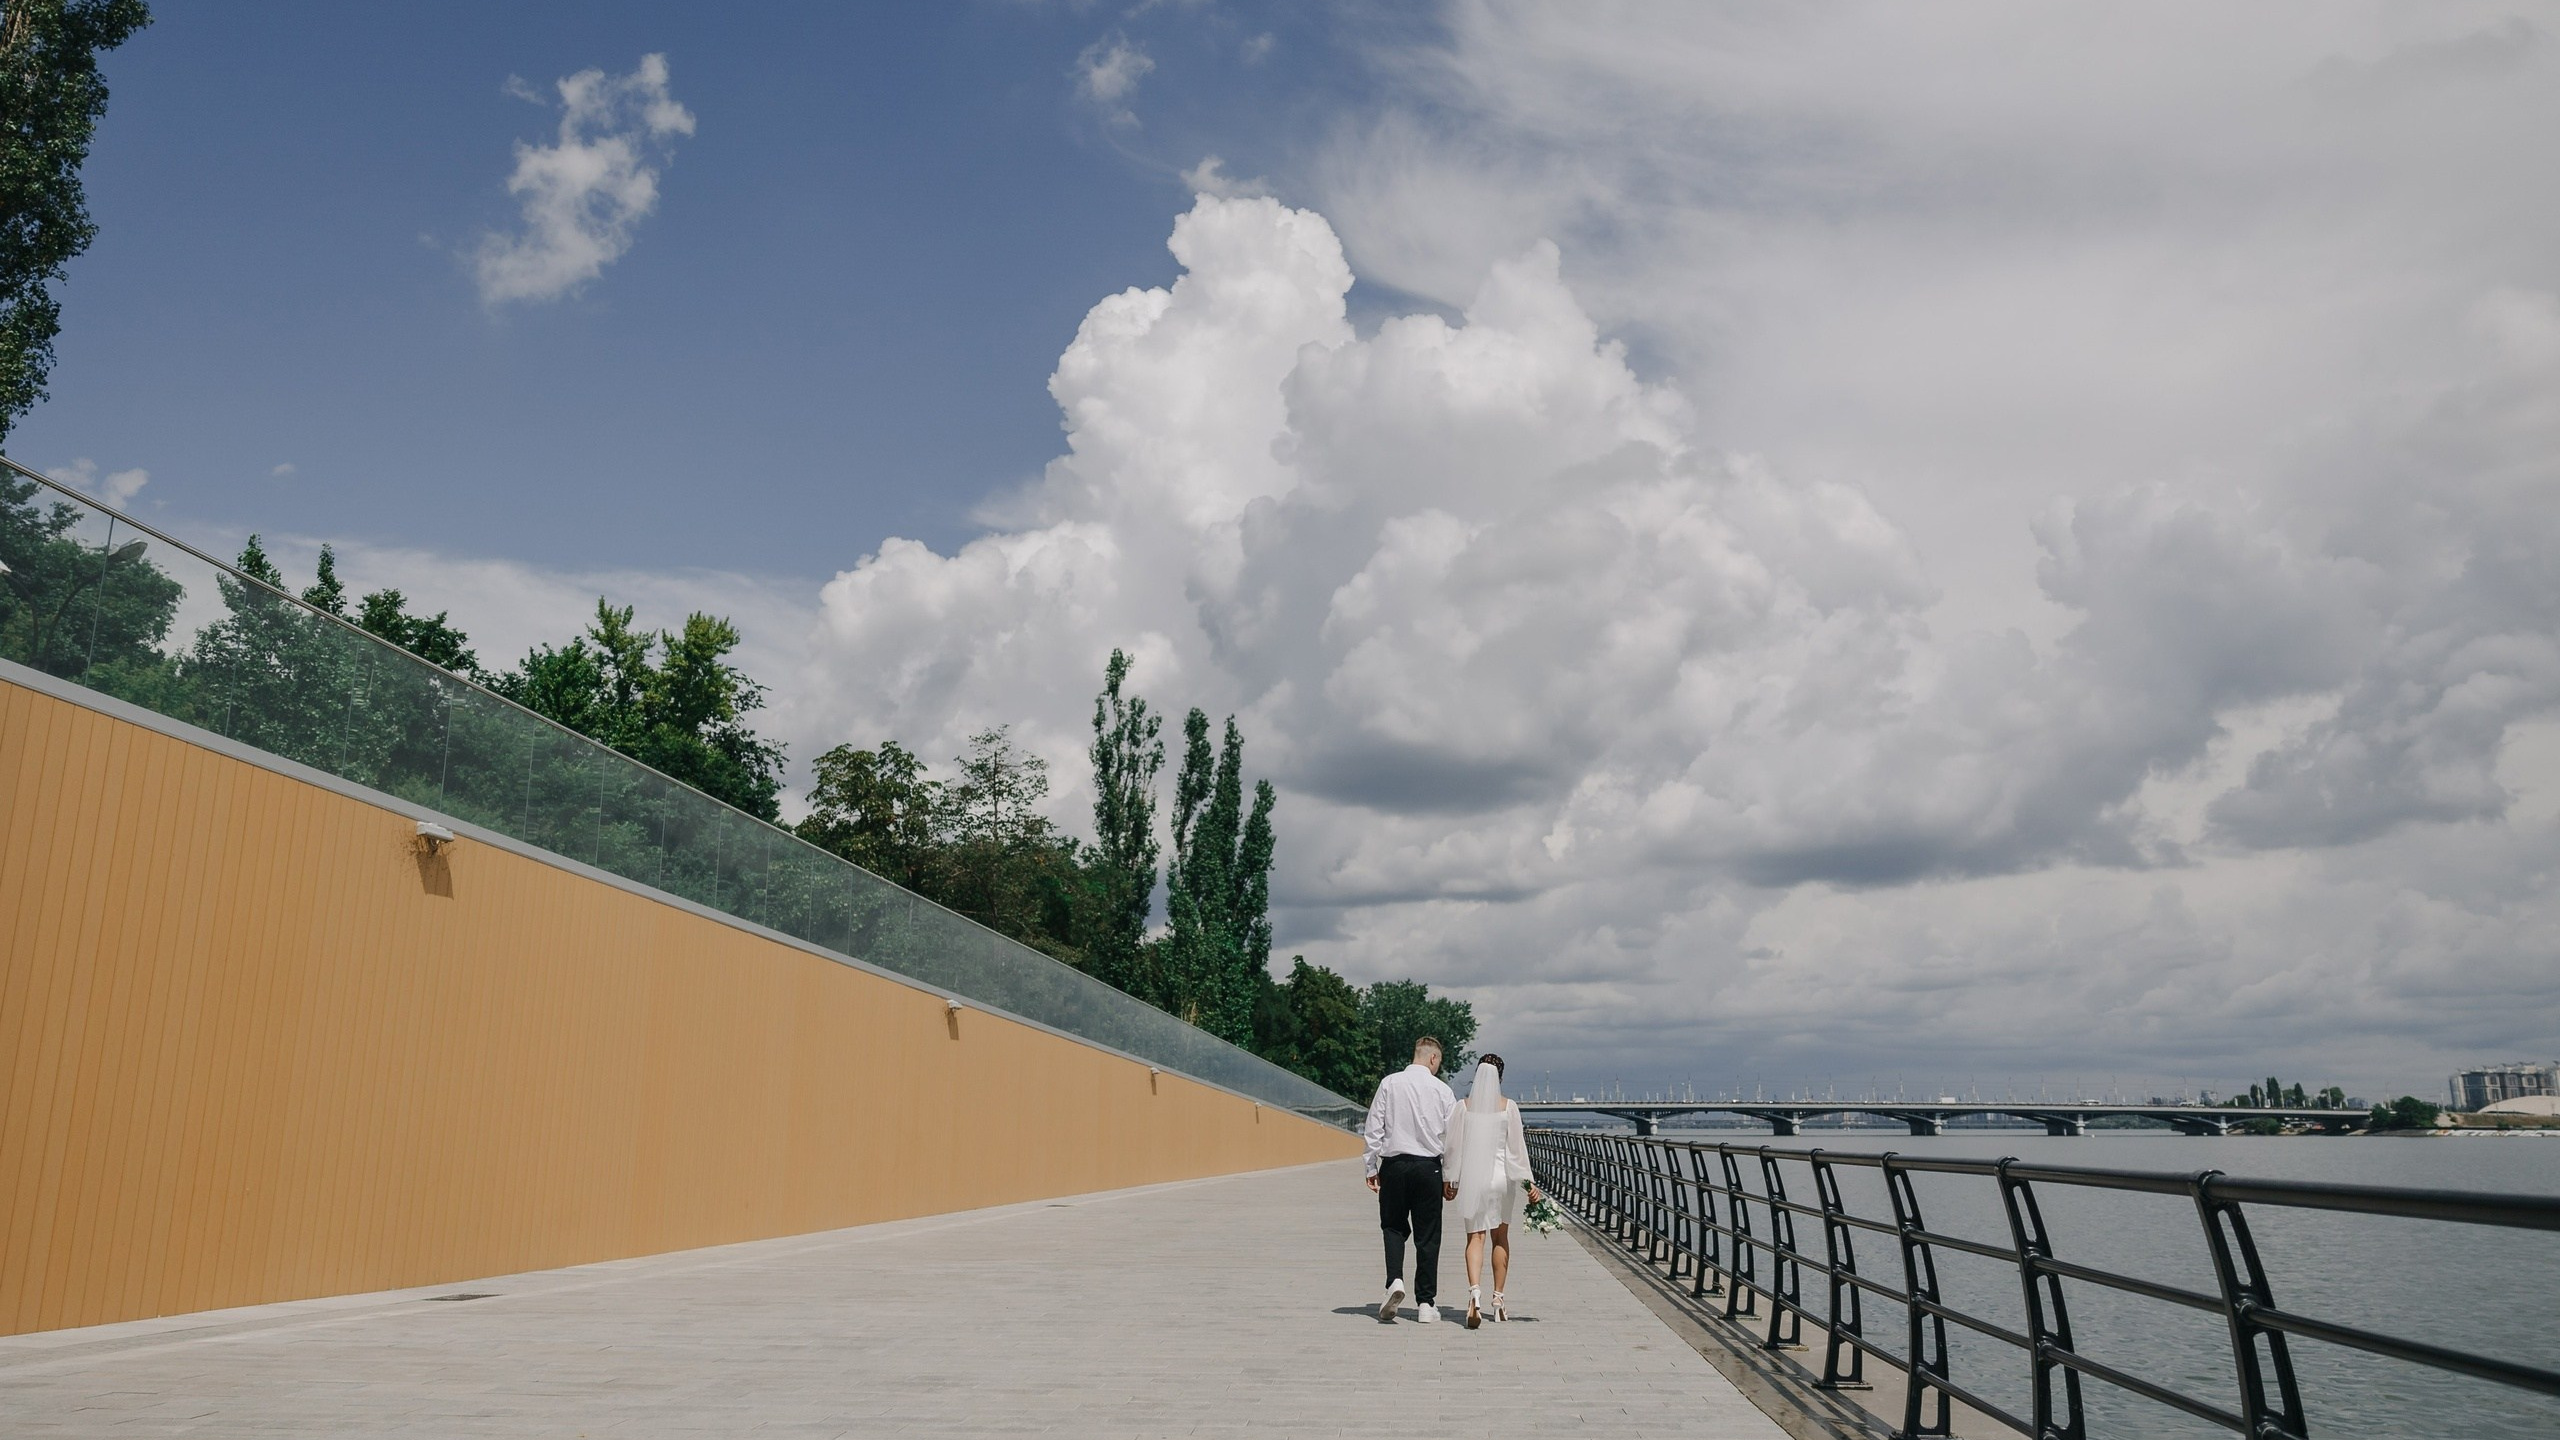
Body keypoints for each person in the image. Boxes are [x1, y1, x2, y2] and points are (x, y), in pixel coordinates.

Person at [1439, 1053, 1540, 1328]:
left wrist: (1450, 1179)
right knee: (1500, 1237)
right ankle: (1498, 1300)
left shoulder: (1463, 1107)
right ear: (1500, 1078)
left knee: (1475, 1238)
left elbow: (1453, 1147)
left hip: (1474, 1179)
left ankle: (1474, 1293)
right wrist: (1528, 1183)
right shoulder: (1509, 1107)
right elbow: (1516, 1150)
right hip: (1501, 1179)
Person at [1363, 1036, 1457, 1324]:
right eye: (1439, 1061)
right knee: (1428, 1235)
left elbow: (1374, 1127)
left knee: (1393, 1226)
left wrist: (1371, 1166)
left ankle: (1394, 1281)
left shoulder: (1389, 1083)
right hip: (1429, 1168)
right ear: (1432, 1058)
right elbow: (1452, 1138)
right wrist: (1451, 1176)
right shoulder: (1442, 1090)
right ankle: (1426, 1304)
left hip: (1394, 1166)